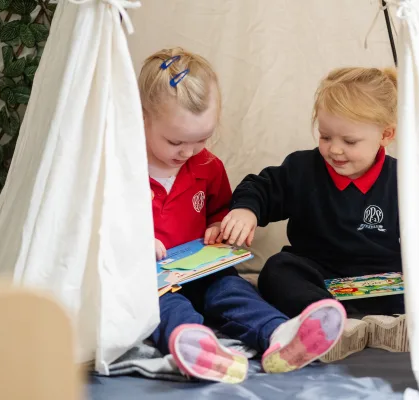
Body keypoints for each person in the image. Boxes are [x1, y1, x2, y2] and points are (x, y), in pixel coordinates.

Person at [140, 47, 346, 383]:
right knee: (165, 308)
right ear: (142, 117)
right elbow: (98, 226)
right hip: (152, 280)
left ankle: (281, 335)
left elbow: (218, 209)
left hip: (201, 270)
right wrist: (134, 240)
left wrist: (218, 226)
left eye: (201, 139)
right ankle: (195, 345)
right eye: (175, 141)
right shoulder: (121, 169)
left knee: (232, 290)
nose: (188, 152)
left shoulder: (207, 166)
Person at [220, 67, 408, 363]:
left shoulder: (403, 179)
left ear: (386, 135)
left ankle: (391, 324)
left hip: (381, 281)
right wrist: (246, 210)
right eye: (325, 136)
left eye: (349, 141)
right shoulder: (302, 169)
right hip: (318, 276)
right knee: (276, 270)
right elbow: (262, 187)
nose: (335, 150)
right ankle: (329, 320)